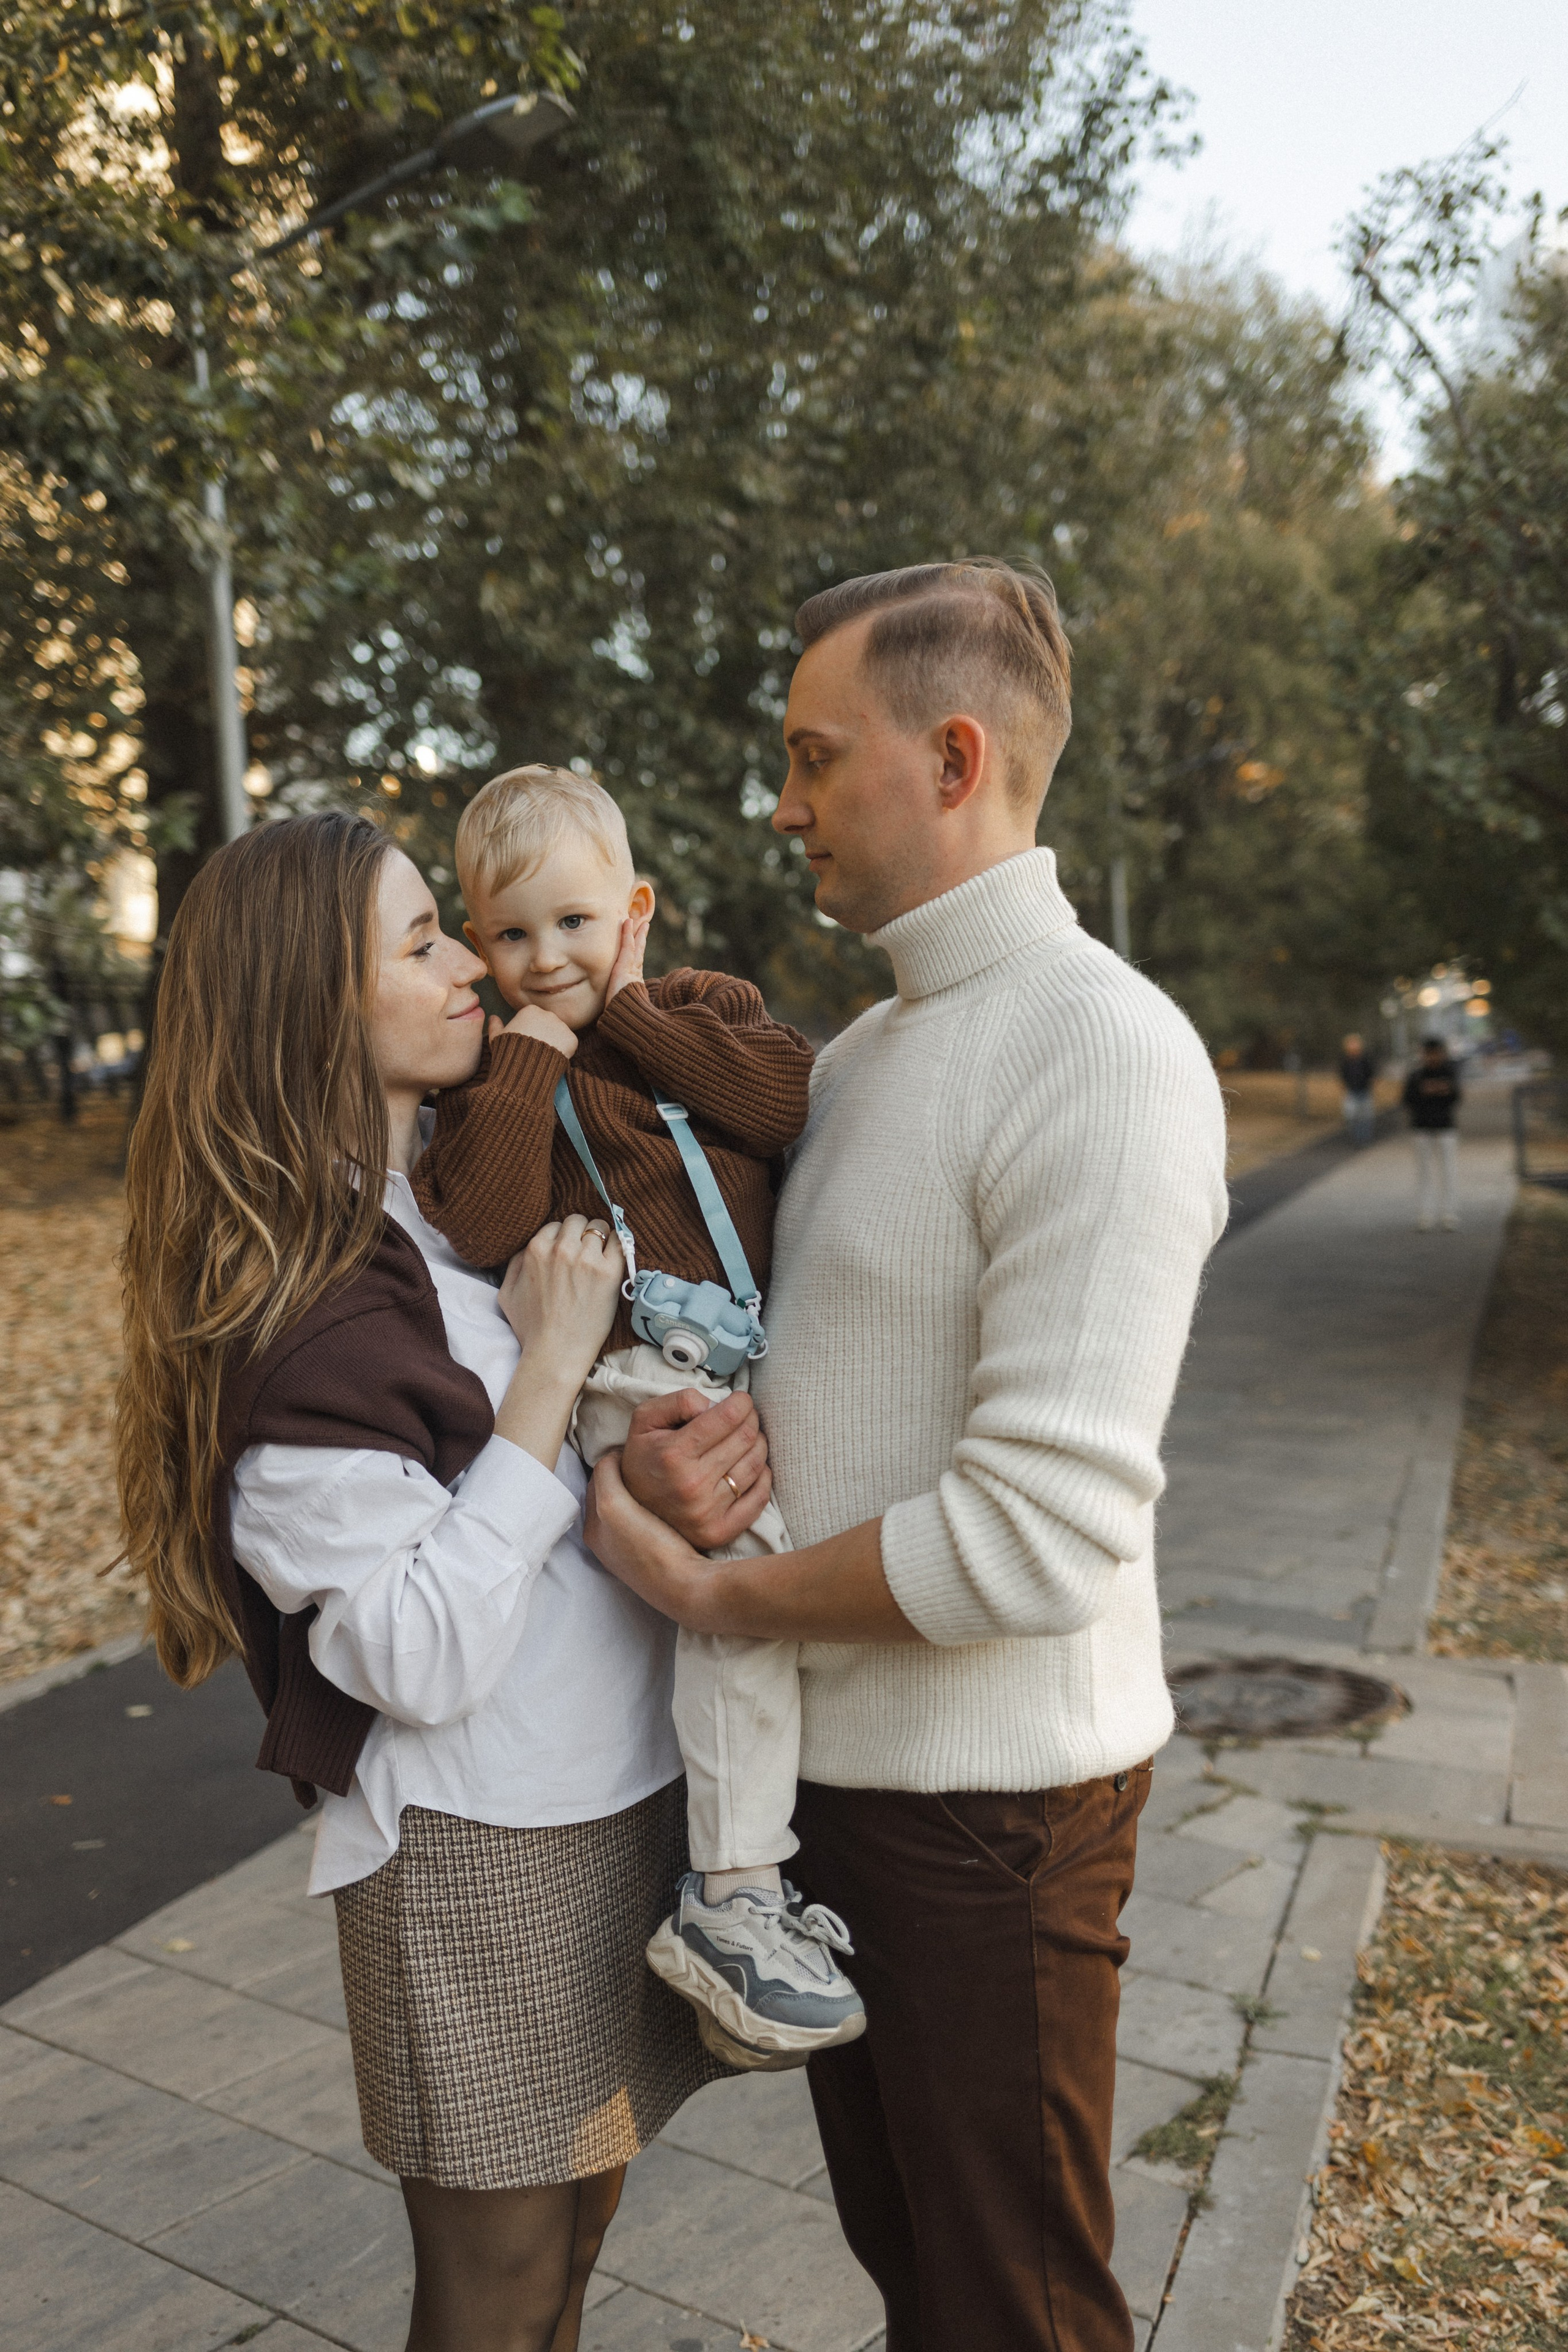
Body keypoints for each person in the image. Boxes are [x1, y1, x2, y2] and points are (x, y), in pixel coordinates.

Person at [588, 557, 1229, 2351]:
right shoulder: (863, 1051)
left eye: (810, 753)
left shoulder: (1103, 1050)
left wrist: (719, 1589)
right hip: (844, 1792)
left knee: (1010, 2305)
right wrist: (678, 1451)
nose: (778, 801)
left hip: (992, 1812)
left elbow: (1036, 1535)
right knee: (921, 2282)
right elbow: (826, 1368)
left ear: (950, 756)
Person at [115, 812, 748, 2352]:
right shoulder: (298, 1293)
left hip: (595, 1797)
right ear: (305, 1006)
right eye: (421, 943)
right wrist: (544, 1372)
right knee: (497, 2292)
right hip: (475, 1848)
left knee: (575, 2242)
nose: (475, 958)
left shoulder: (433, 1207)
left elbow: (509, 1495)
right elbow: (410, 1649)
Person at [407, 763, 865, 2069]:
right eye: (508, 935)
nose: (542, 958)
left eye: (570, 922)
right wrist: (535, 1058)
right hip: (619, 1374)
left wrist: (626, 1011)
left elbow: (781, 1101)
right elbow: (482, 1218)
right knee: (738, 1569)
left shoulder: (699, 1010)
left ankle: (749, 1877)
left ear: (634, 908)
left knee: (774, 1591)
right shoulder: (497, 1077)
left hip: (742, 1361)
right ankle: (732, 1896)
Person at [1403, 1034, 1463, 1229]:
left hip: (1446, 1127)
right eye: (1429, 1054)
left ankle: (1449, 1214)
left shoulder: (1450, 1073)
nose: (1432, 1058)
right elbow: (1408, 1100)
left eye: (1436, 1053)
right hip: (1422, 1129)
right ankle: (1425, 1215)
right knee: (1424, 1173)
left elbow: (1456, 1097)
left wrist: (1433, 1091)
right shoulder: (1416, 1075)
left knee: (1449, 1171)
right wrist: (1434, 1092)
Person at [1338, 1031, 1376, 1147]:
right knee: (1351, 1116)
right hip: (1352, 1092)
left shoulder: (1365, 1060)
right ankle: (1356, 1138)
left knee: (1365, 1117)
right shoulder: (1345, 1061)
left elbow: (1371, 1074)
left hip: (1364, 1091)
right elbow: (1342, 1076)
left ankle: (1364, 1139)